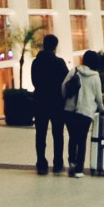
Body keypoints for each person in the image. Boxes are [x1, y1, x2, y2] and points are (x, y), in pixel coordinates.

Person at [61, 51, 104, 178]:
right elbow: (98, 97)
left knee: (72, 137)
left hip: (70, 110)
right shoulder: (95, 77)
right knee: (82, 140)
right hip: (86, 112)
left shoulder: (74, 71)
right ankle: (79, 169)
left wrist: (66, 100)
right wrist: (102, 108)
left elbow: (63, 87)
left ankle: (72, 162)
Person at [30, 33, 67, 175]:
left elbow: (34, 81)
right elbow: (66, 81)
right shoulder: (59, 63)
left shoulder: (36, 62)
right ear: (55, 46)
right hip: (57, 102)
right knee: (58, 134)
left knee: (40, 134)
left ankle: (41, 164)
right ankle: (58, 163)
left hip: (40, 101)